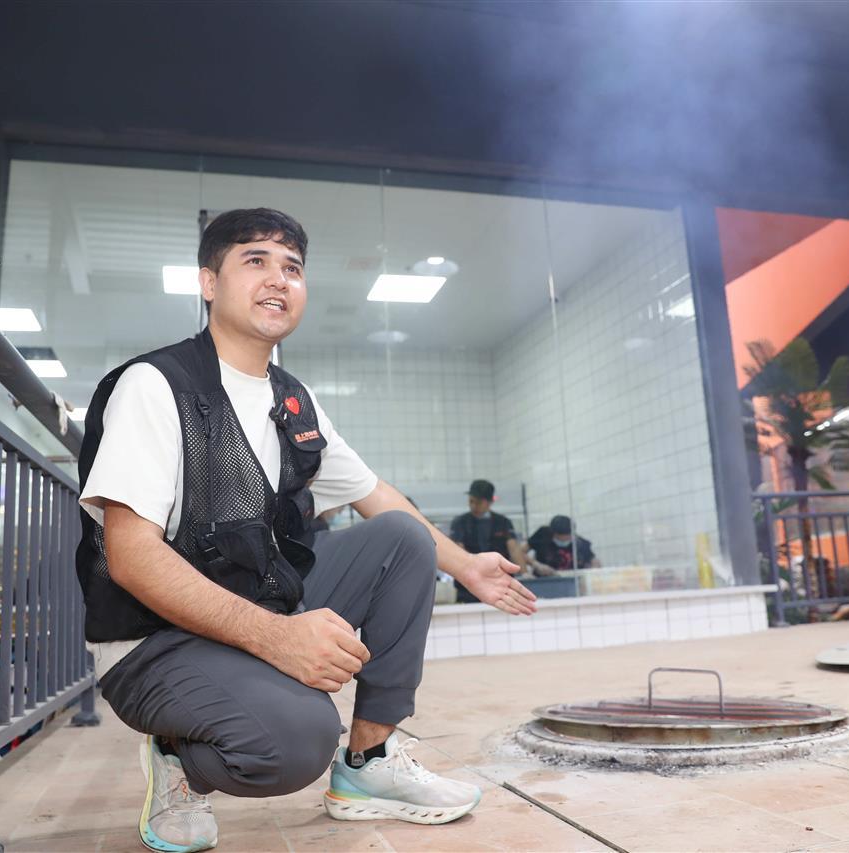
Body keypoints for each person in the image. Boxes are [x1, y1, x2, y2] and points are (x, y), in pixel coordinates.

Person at [76, 209, 537, 853]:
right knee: (297, 740)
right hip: (155, 641)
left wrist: (466, 566)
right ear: (208, 283)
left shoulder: (293, 401)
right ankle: (179, 756)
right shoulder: (157, 385)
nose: (278, 279)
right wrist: (277, 637)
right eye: (255, 261)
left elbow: (377, 497)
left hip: (256, 607)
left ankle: (370, 763)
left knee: (402, 538)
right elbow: (129, 557)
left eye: (292, 267)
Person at [447, 480, 528, 603]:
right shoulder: (460, 523)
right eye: (471, 501)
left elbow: (514, 549)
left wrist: (525, 574)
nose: (474, 506)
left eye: (478, 502)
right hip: (468, 586)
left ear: (490, 502)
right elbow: (458, 550)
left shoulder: (503, 522)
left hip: (500, 584)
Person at [527, 515, 600, 573]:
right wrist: (536, 564)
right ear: (553, 533)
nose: (565, 540)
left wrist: (594, 570)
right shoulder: (543, 534)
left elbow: (594, 560)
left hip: (571, 582)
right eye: (561, 538)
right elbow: (521, 552)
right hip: (545, 580)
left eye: (568, 537)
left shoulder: (580, 543)